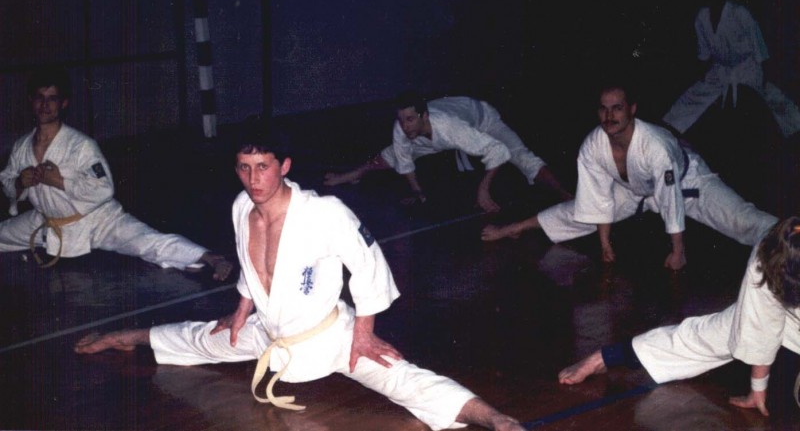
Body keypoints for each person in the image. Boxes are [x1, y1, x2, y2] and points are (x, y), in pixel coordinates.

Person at [74, 127, 525, 431]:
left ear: (284, 165)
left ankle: (496, 419)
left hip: (328, 336)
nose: (253, 179)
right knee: (203, 338)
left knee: (403, 379)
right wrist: (241, 309)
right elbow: (250, 267)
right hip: (270, 331)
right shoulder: (240, 207)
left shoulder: (323, 212)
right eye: (244, 167)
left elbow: (368, 264)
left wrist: (364, 333)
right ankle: (128, 336)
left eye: (263, 166)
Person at [481, 81, 777, 270]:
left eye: (617, 108)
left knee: (740, 219)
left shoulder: (654, 146)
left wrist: (678, 251)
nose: (609, 116)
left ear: (632, 110)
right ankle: (514, 228)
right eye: (604, 109)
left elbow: (670, 199)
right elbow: (596, 200)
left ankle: (790, 234)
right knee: (578, 212)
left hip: (688, 183)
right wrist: (605, 244)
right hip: (635, 189)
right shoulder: (592, 146)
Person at [0, 67, 232, 279]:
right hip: (47, 220)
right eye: (39, 98)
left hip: (97, 219)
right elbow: (7, 181)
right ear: (31, 101)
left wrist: (60, 181)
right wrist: (20, 183)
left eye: (52, 99)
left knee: (144, 241)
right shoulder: (22, 147)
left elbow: (104, 188)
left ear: (63, 103)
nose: (45, 105)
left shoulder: (81, 145)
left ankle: (210, 258)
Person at [557, 216, 800, 418]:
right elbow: (759, 327)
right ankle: (604, 357)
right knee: (705, 337)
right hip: (786, 311)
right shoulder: (768, 256)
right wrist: (757, 389)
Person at [323, 91, 571, 212]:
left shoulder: (449, 127)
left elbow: (497, 151)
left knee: (521, 156)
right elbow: (404, 161)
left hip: (483, 120)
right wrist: (418, 194)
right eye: (401, 120)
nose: (404, 126)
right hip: (440, 129)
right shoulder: (404, 128)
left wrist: (483, 190)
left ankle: (566, 196)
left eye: (410, 119)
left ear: (424, 116)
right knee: (389, 155)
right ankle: (353, 174)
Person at [662, 0, 800, 138]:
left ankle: (795, 124)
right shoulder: (702, 16)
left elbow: (758, 44)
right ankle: (668, 127)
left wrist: (765, 70)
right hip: (721, 68)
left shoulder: (739, 12)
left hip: (747, 66)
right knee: (695, 95)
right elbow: (704, 52)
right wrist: (701, 72)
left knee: (770, 97)